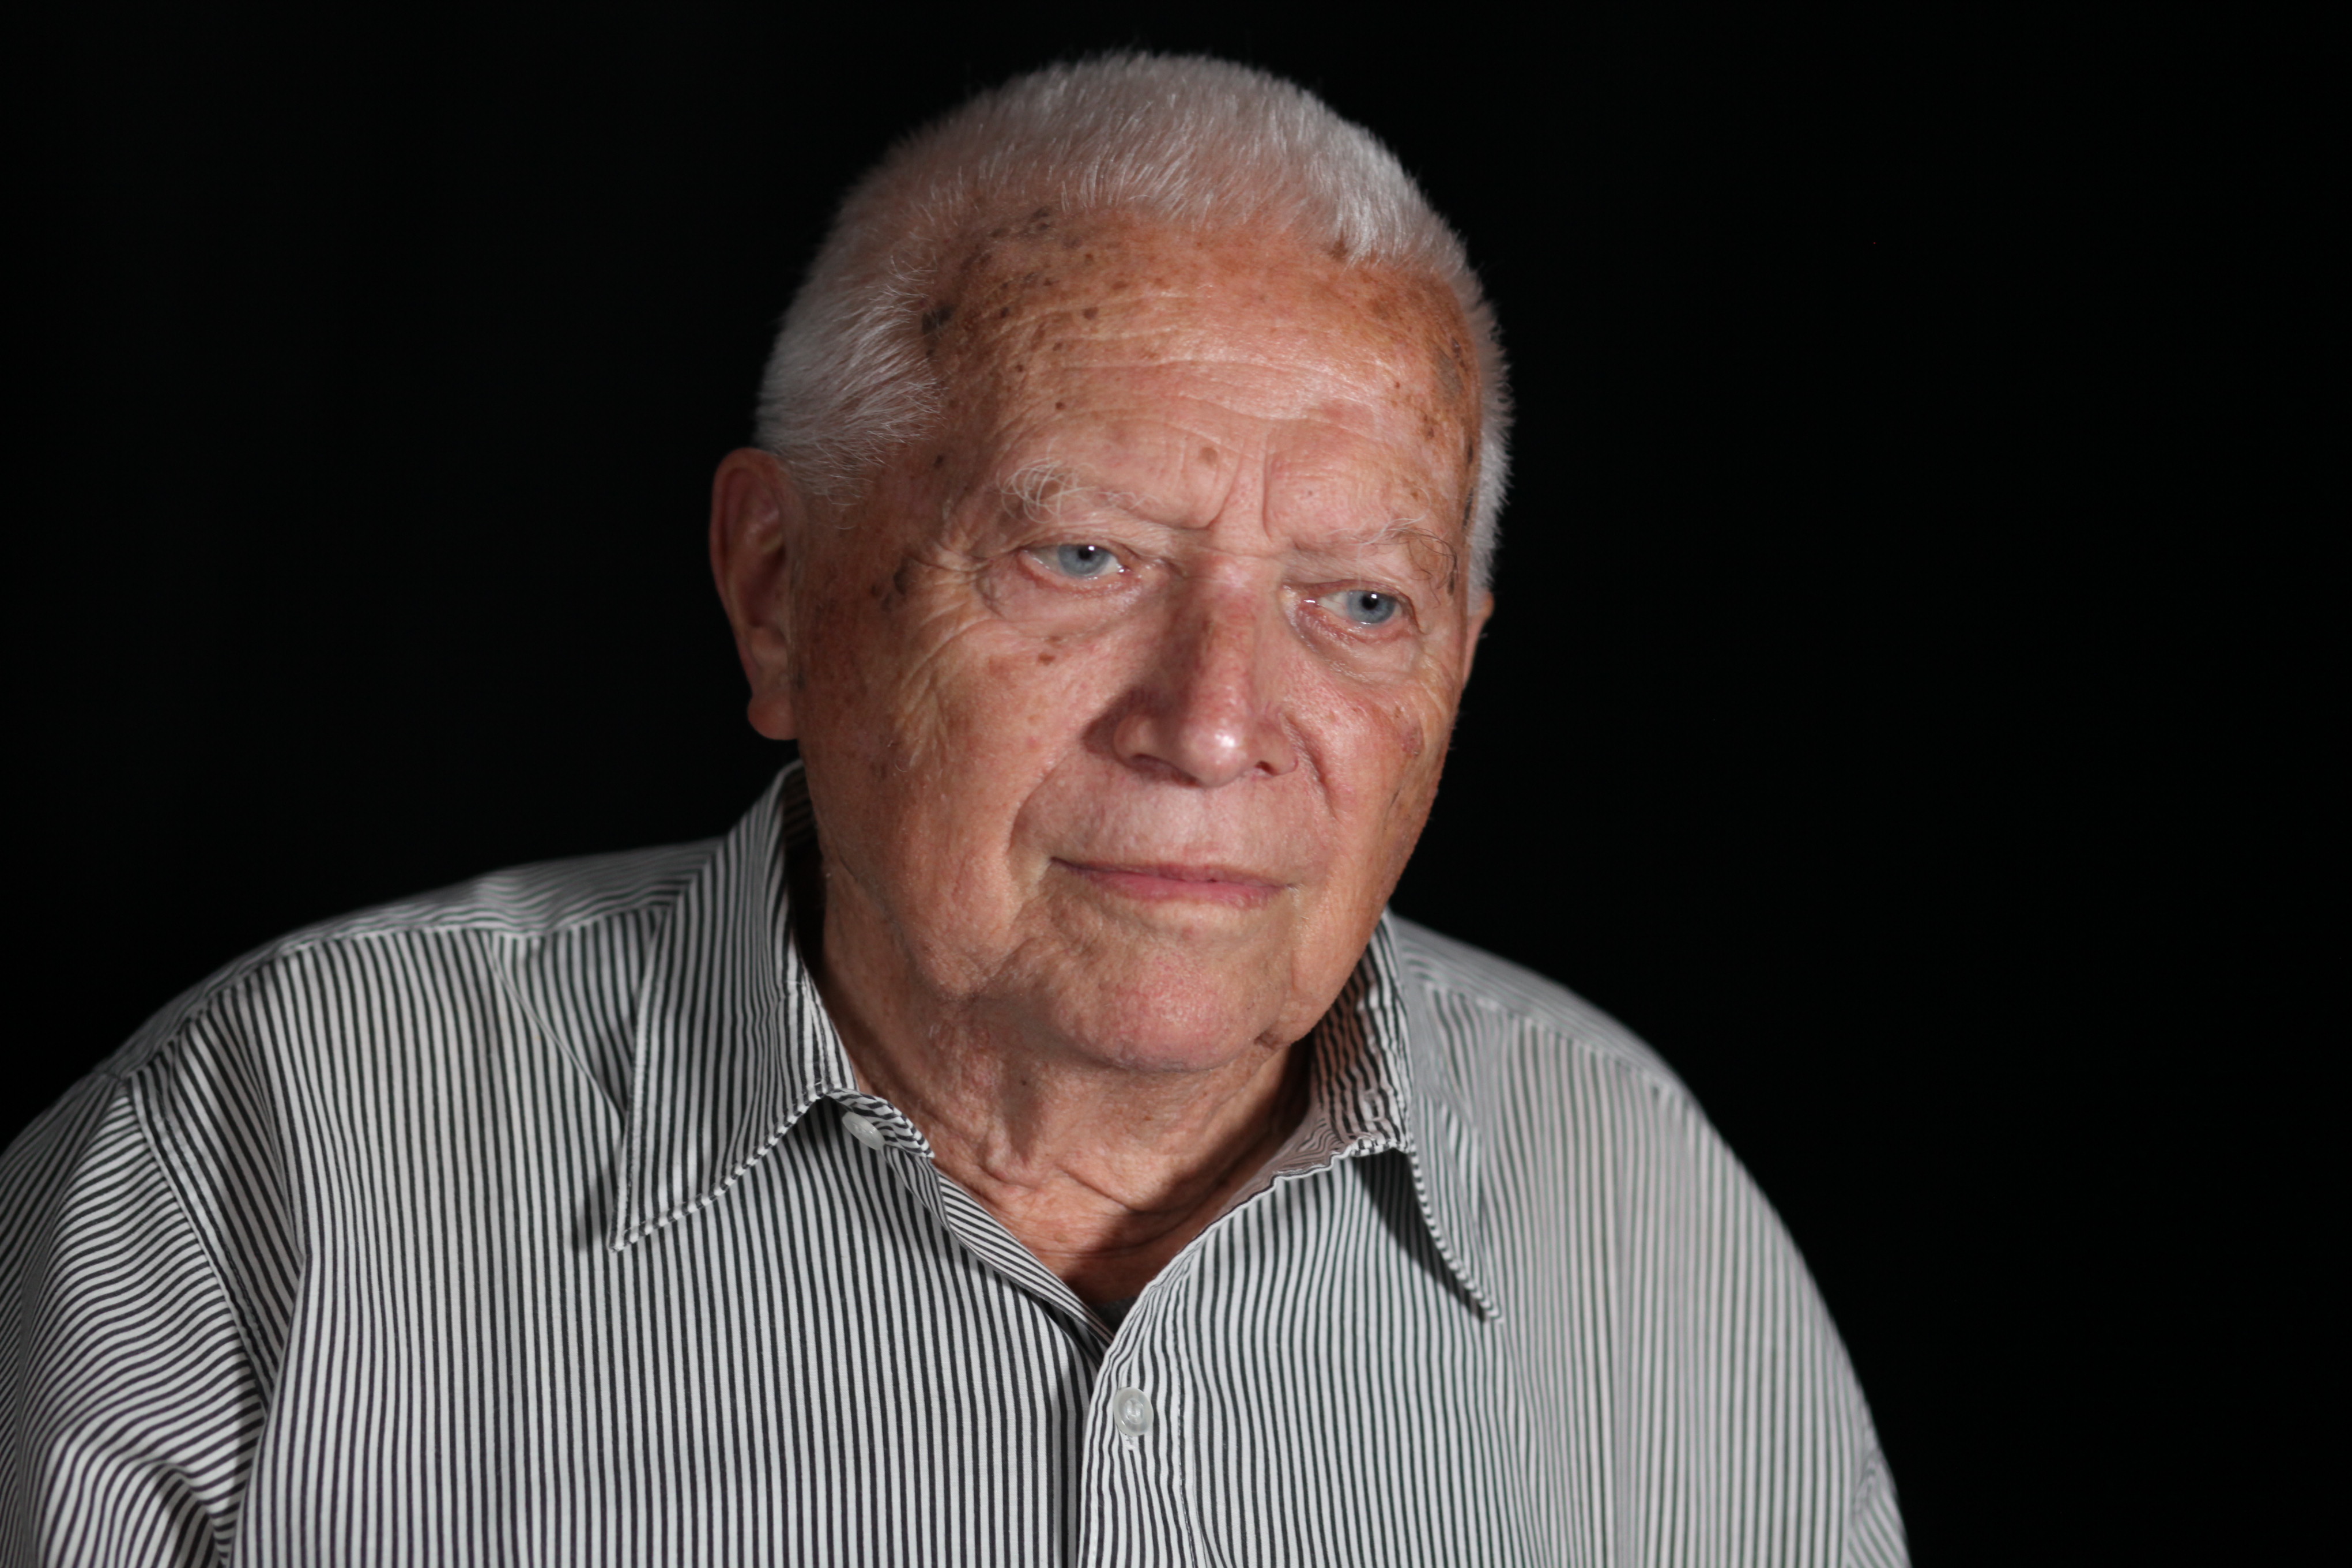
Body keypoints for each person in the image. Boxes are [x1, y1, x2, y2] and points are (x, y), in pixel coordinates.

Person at [0, 55, 1906, 1565]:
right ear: (777, 591)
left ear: (1459, 673)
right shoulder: (257, 1168)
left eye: (1358, 605)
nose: (1213, 725)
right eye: (1080, 555)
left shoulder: (1653, 1222)